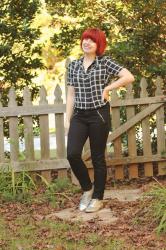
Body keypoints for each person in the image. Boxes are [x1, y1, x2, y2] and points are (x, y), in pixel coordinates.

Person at [65, 28, 135, 213]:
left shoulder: (105, 62)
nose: (86, 42)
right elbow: (71, 94)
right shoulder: (73, 66)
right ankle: (87, 189)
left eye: (91, 40)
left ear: (98, 45)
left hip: (99, 114)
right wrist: (67, 118)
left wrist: (108, 88)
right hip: (79, 115)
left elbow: (128, 76)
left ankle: (98, 198)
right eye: (85, 39)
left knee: (97, 158)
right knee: (72, 154)